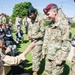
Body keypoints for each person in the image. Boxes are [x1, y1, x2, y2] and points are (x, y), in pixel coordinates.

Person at [42, 3, 71, 75]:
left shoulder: (64, 25)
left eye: (48, 14)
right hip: (49, 57)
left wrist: (60, 59)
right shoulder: (50, 25)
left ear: (54, 11)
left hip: (57, 59)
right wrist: (43, 50)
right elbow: (46, 38)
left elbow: (66, 44)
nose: (47, 16)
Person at [27, 6, 45, 75]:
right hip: (32, 41)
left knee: (36, 57)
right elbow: (30, 29)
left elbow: (42, 33)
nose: (30, 16)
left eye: (31, 14)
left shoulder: (40, 20)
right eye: (29, 15)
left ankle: (35, 71)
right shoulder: (31, 20)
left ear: (34, 13)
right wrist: (29, 35)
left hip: (38, 42)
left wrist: (33, 36)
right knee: (33, 56)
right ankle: (34, 69)